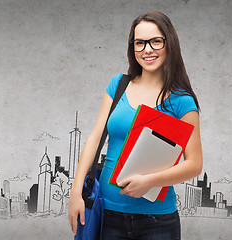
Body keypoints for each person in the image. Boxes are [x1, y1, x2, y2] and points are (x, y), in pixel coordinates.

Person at [68, 11, 203, 239]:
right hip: (108, 214)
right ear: (132, 47)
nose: (147, 50)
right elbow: (94, 138)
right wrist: (75, 191)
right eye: (139, 43)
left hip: (157, 222)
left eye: (155, 41)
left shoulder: (182, 101)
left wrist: (149, 181)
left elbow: (195, 164)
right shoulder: (118, 85)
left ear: (169, 44)